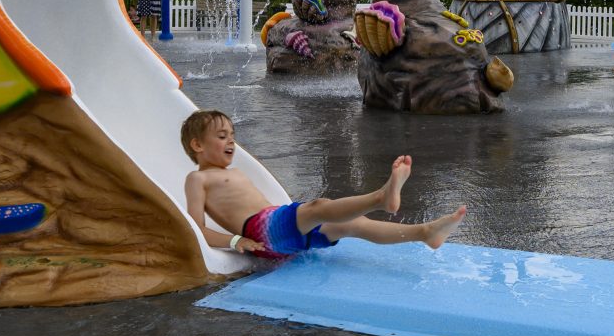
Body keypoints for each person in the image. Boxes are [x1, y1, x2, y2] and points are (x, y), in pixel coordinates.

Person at [181, 109, 466, 258]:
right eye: (221, 136)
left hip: (281, 234)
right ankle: (382, 196)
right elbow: (196, 229)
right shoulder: (198, 178)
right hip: (263, 231)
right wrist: (234, 241)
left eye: (231, 134)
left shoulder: (230, 172)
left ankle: (425, 232)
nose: (230, 140)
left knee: (356, 225)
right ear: (197, 145)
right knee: (319, 206)